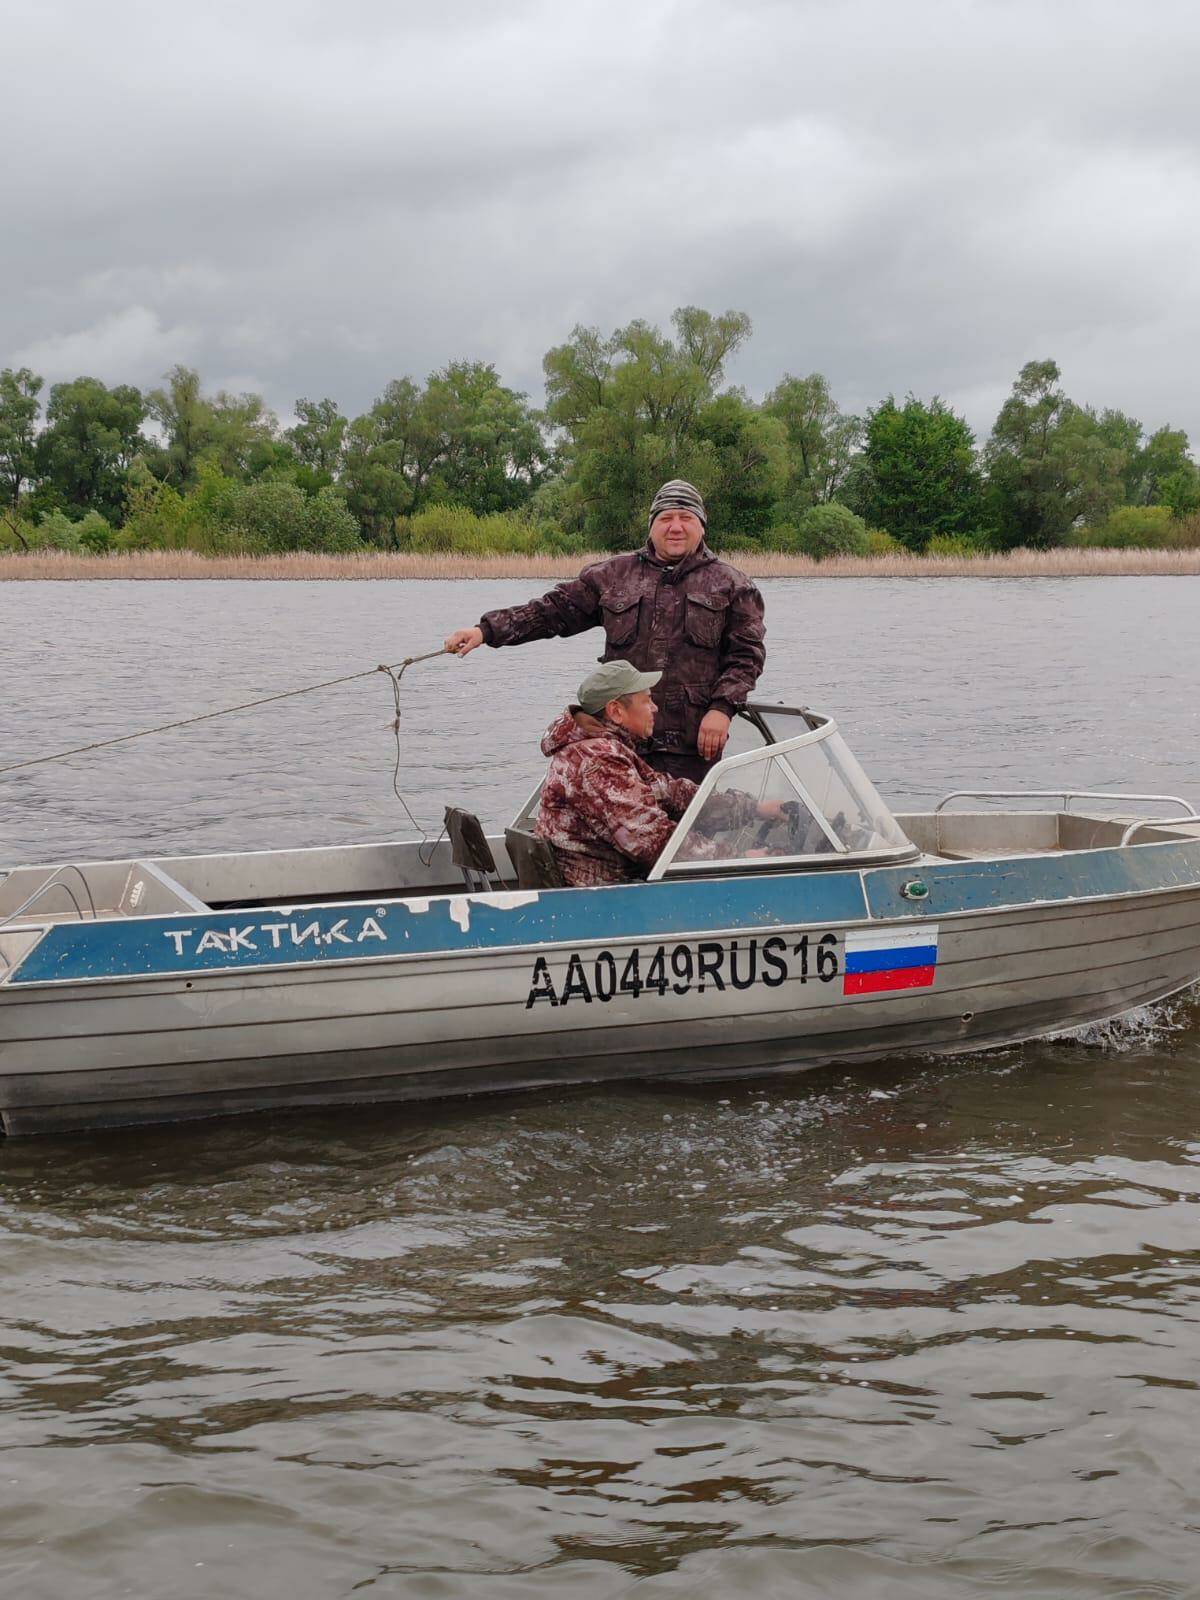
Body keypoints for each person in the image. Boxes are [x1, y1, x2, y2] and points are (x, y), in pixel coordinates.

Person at [444, 479, 765, 782]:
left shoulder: (733, 585)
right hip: (618, 740)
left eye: (686, 518)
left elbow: (746, 658)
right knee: (617, 818)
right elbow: (550, 612)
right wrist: (485, 631)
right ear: (652, 526)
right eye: (666, 518)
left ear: (701, 525)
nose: (676, 526)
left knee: (686, 819)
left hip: (691, 744)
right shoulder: (612, 575)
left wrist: (722, 709)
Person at [536, 660, 783, 888]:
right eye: (646, 701)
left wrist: (753, 808)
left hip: (611, 887)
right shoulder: (597, 761)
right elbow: (652, 841)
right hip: (603, 898)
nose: (654, 708)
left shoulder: (604, 750)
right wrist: (739, 859)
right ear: (616, 711)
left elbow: (669, 792)